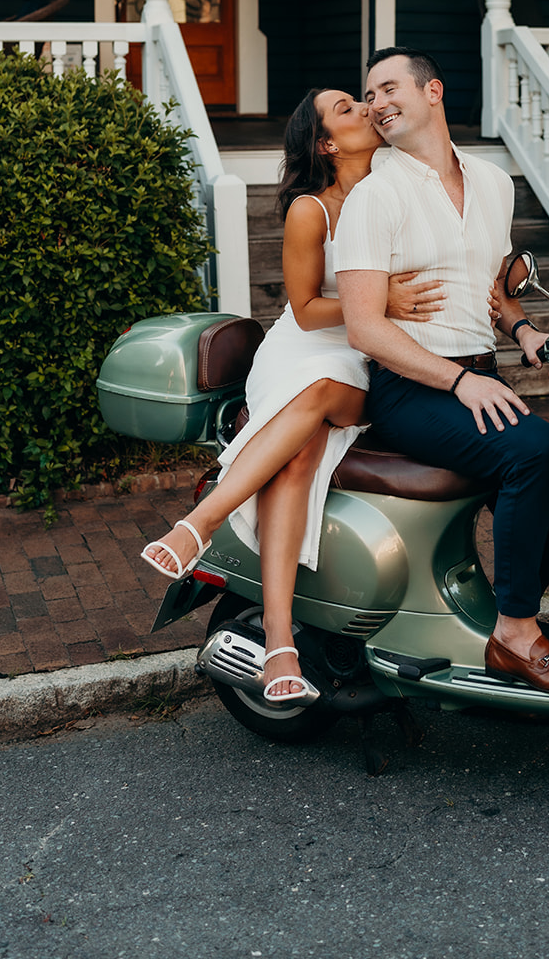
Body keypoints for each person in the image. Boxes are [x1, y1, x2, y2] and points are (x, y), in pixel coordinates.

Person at [141, 87, 443, 703]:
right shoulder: (312, 209)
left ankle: (201, 523)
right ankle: (279, 643)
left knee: (327, 397)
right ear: (327, 143)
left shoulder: (400, 184)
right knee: (299, 458)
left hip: (368, 359)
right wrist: (380, 302)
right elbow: (304, 312)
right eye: (346, 108)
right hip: (308, 349)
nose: (365, 108)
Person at [335, 47, 549, 696]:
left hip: (484, 373)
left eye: (388, 87)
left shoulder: (492, 183)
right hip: (412, 390)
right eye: (368, 94)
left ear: (433, 91)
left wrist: (522, 332)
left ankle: (468, 635)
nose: (375, 103)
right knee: (535, 449)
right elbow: (364, 326)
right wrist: (458, 380)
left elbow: (490, 285)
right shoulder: (375, 196)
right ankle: (515, 637)